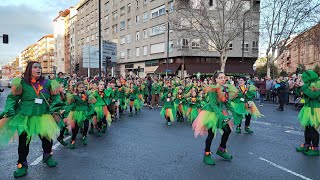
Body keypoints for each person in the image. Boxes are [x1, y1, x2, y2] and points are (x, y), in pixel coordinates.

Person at [0, 61, 63, 178]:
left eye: (39, 67)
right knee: (24, 142)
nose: (38, 69)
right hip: (25, 116)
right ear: (29, 69)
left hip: (43, 116)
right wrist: (9, 109)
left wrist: (55, 106)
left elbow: (56, 97)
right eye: (35, 67)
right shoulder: (21, 83)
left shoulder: (48, 83)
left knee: (47, 139)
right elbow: (12, 98)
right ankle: (22, 165)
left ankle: (47, 156)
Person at [192, 71, 238, 165]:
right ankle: (207, 154)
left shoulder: (225, 88)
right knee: (211, 134)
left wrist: (235, 112)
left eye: (223, 77)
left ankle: (221, 149)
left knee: (228, 130)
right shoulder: (213, 89)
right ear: (216, 79)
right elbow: (213, 104)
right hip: (211, 113)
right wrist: (221, 116)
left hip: (220, 111)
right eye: (220, 78)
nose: (222, 79)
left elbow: (227, 102)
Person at [296, 70, 319, 156]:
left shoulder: (317, 84)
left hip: (315, 109)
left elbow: (313, 95)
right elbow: (300, 94)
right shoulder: (308, 85)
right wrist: (298, 87)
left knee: (313, 129)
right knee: (307, 129)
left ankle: (315, 148)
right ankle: (307, 145)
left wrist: (303, 86)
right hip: (307, 108)